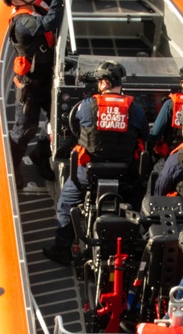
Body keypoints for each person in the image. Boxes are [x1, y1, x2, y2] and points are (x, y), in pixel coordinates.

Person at [43, 60, 148, 265]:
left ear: (104, 83)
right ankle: (132, 245)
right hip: (124, 175)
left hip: (88, 174)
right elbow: (144, 135)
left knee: (66, 205)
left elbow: (76, 124)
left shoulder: (87, 105)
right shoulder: (135, 109)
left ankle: (62, 248)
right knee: (135, 203)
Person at [0, 0, 69, 180]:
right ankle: (13, 168)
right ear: (15, 1)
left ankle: (40, 155)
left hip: (46, 80)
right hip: (30, 86)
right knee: (24, 130)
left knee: (56, 121)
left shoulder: (33, 2)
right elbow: (51, 21)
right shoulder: (23, 23)